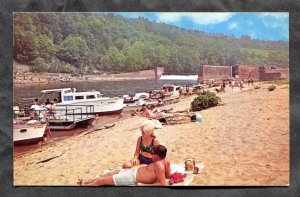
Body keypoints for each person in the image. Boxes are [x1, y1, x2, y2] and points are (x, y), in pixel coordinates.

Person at [78, 145, 171, 186]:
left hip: (132, 178)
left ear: (157, 156)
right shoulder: (166, 162)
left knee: (101, 181)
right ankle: (86, 181)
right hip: (132, 172)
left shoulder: (159, 165)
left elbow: (162, 183)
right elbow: (168, 176)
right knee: (109, 173)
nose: (150, 155)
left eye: (152, 153)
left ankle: (85, 186)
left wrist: (142, 184)